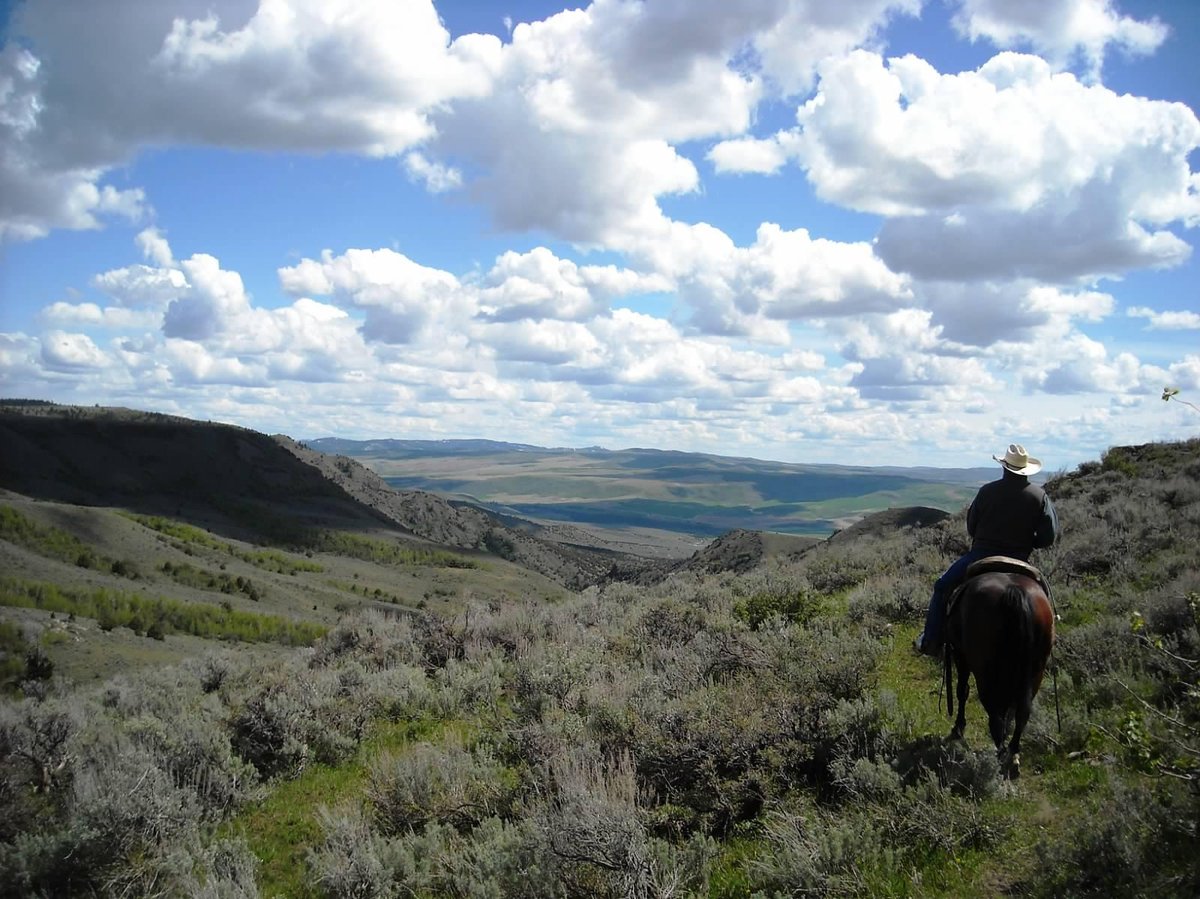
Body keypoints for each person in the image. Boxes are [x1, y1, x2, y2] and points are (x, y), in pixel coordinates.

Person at [914, 443, 1059, 656]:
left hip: (981, 555)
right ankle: (1048, 642)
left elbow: (972, 526)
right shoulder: (1040, 497)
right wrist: (1028, 543)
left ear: (1004, 467)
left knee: (942, 586)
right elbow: (1048, 537)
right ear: (1026, 469)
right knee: (1044, 598)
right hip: (1020, 559)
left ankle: (932, 641)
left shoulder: (987, 491)